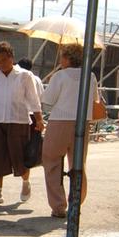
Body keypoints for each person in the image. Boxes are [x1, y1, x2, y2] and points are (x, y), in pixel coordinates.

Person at [41, 42, 98, 219]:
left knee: (52, 162)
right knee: (78, 164)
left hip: (59, 121)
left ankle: (58, 206)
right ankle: (76, 201)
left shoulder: (60, 76)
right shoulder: (91, 76)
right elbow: (95, 99)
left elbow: (47, 102)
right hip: (82, 122)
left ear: (66, 58)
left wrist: (51, 82)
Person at [0, 41, 43, 204]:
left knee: (20, 156)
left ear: (11, 57)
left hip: (18, 120)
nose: (1, 64)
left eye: (3, 60)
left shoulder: (25, 75)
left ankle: (25, 183)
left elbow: (33, 99)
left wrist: (39, 118)